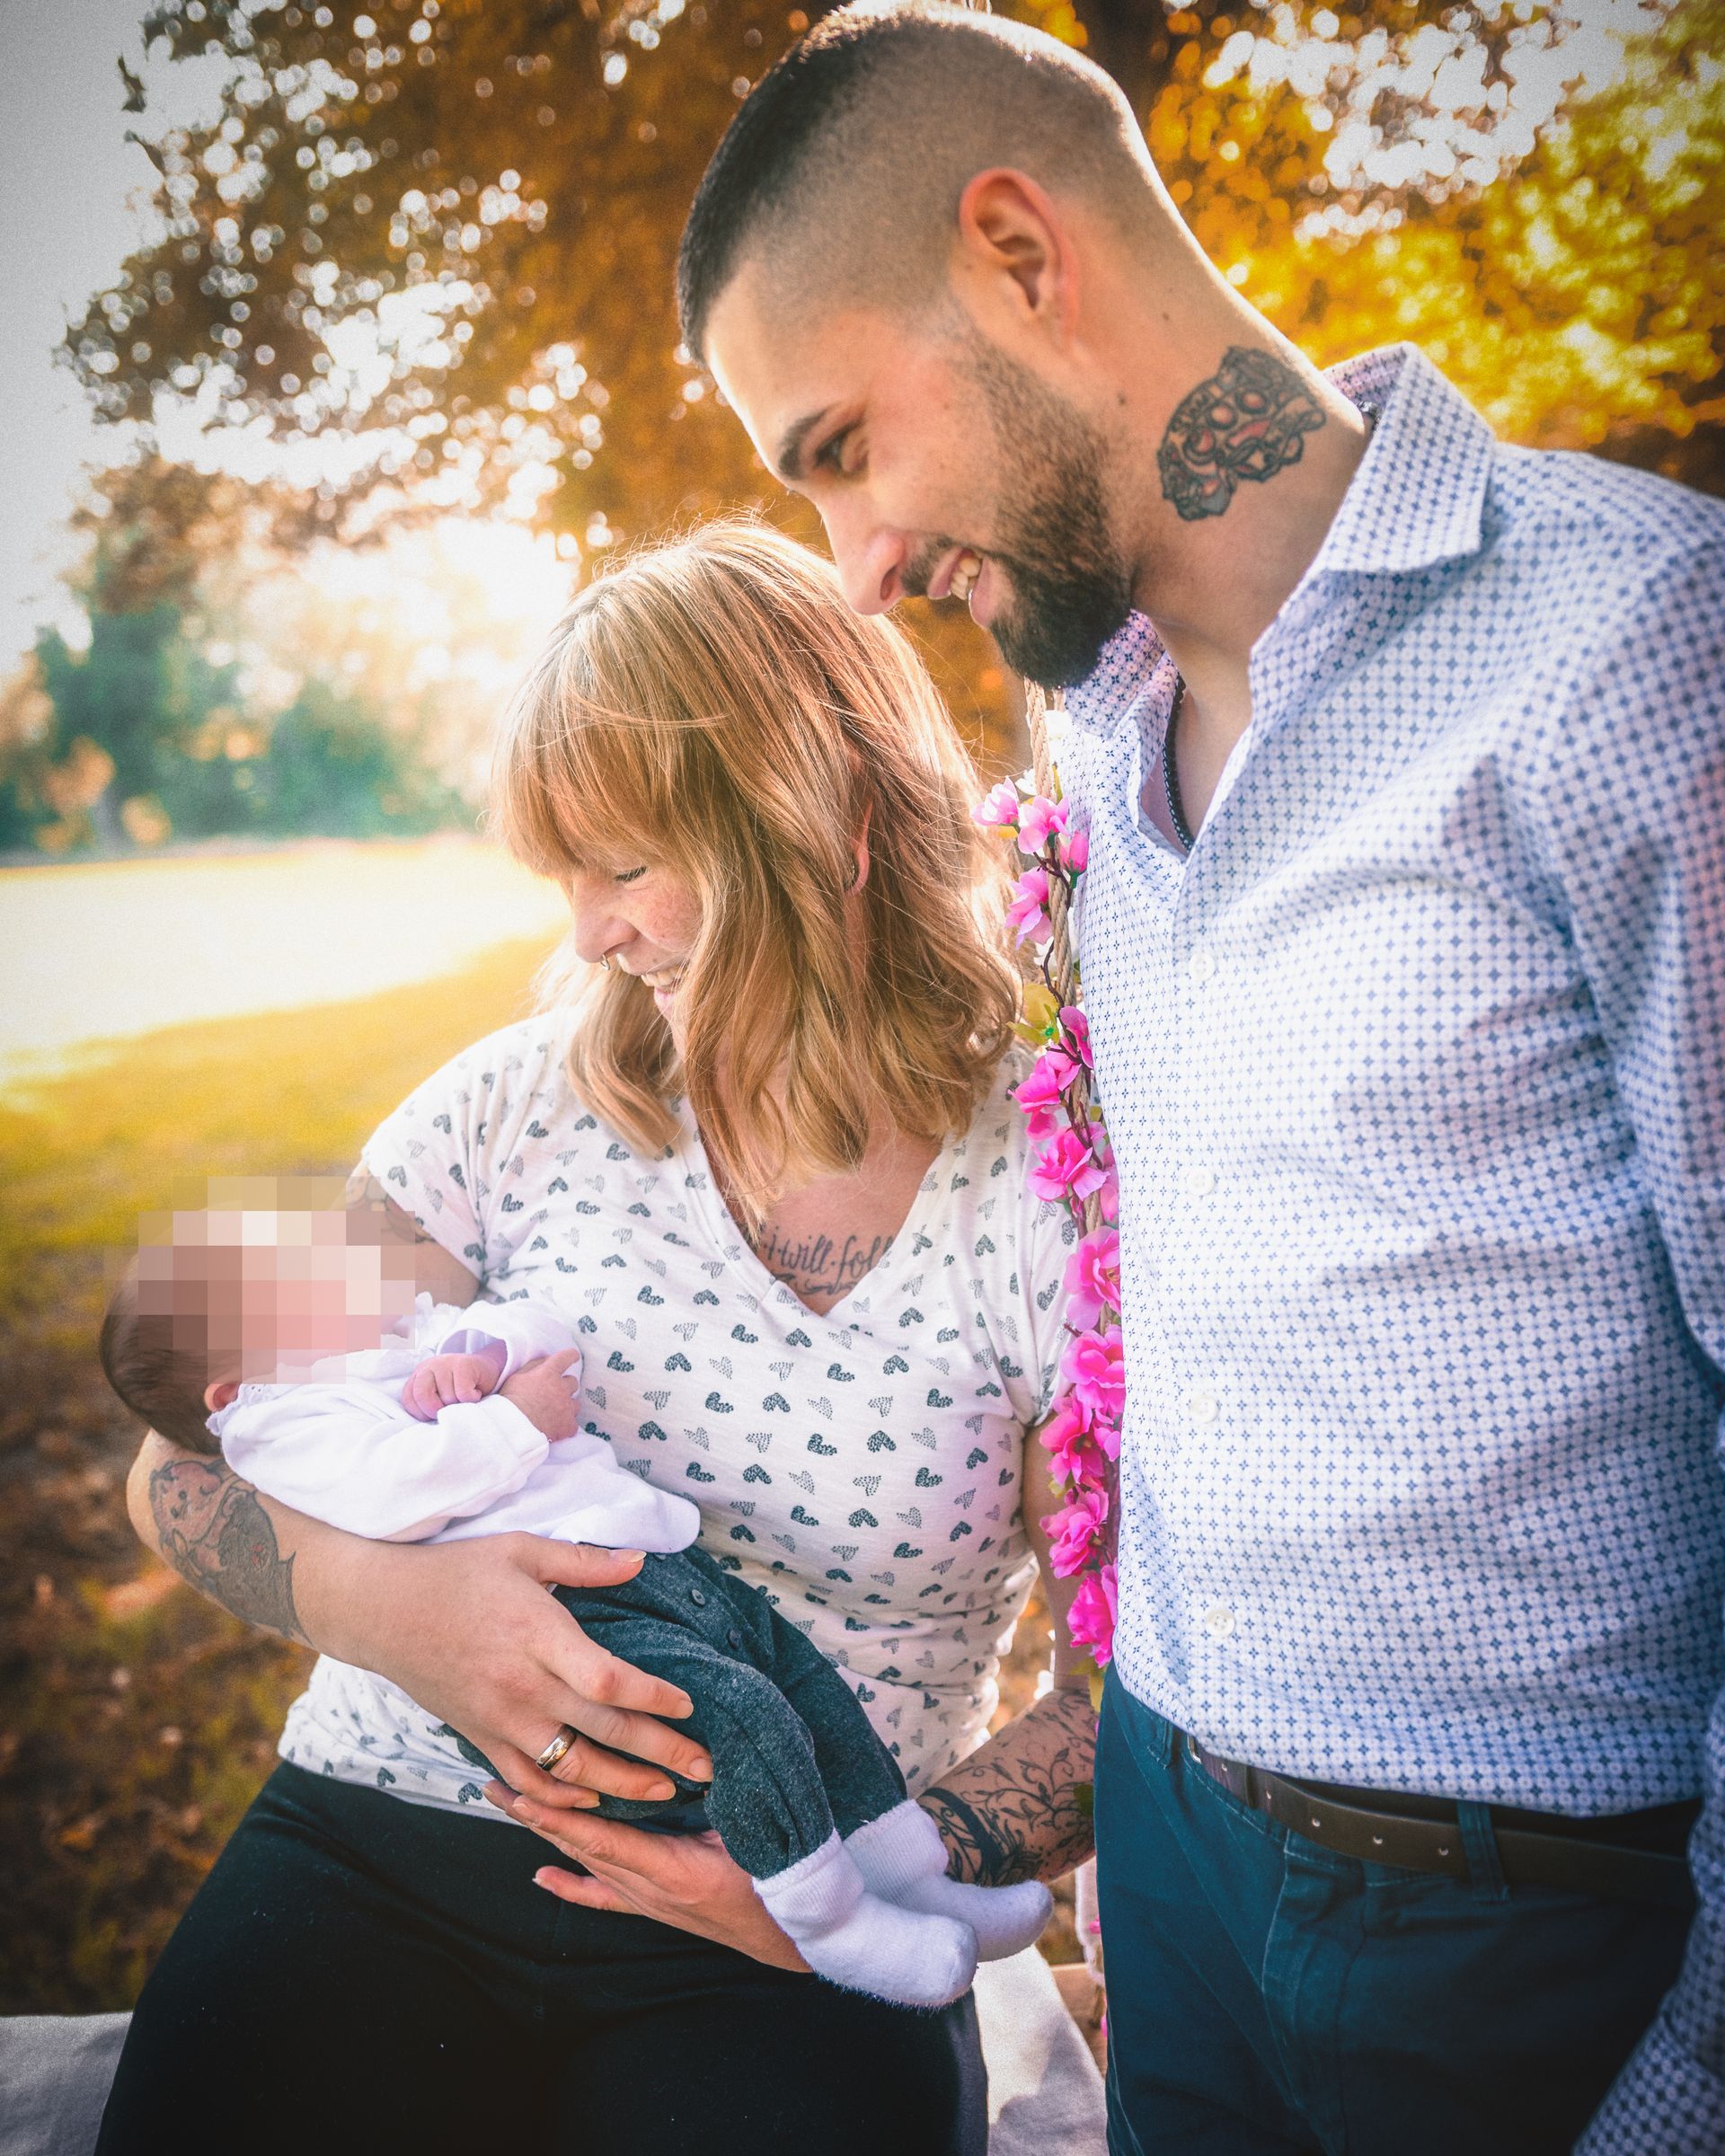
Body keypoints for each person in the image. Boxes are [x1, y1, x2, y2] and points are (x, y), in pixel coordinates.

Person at [679, 9, 1725, 2152]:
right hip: (1166, 1855)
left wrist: (1700, 2059)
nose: (855, 560)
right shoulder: (1081, 747)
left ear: (1014, 251)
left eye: (839, 445)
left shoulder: (1631, 650)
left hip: (1515, 1913)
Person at [103, 521, 1097, 2156]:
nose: (585, 934)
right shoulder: (513, 1107)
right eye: (562, 874)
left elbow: (1135, 1670)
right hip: (384, 1835)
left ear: (816, 824)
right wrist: (387, 1605)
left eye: (625, 867)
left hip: (793, 1917)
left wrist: (856, 1883)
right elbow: (179, 1457)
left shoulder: (1037, 1185)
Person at [98, 1214, 1049, 2004]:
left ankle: (914, 1876)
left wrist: (479, 1352)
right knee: (745, 1722)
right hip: (567, 1625)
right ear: (230, 1388)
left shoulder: (381, 1347)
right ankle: (833, 1920)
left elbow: (528, 1319)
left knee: (807, 1690)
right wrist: (514, 1421)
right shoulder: (278, 1420)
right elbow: (396, 1487)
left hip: (656, 1564)